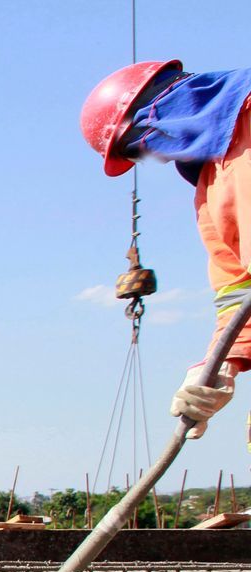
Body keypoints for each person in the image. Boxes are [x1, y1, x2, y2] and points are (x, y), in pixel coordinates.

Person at [81, 61, 251, 438]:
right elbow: (236, 292)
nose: (154, 154)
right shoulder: (211, 190)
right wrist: (221, 364)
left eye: (140, 143)